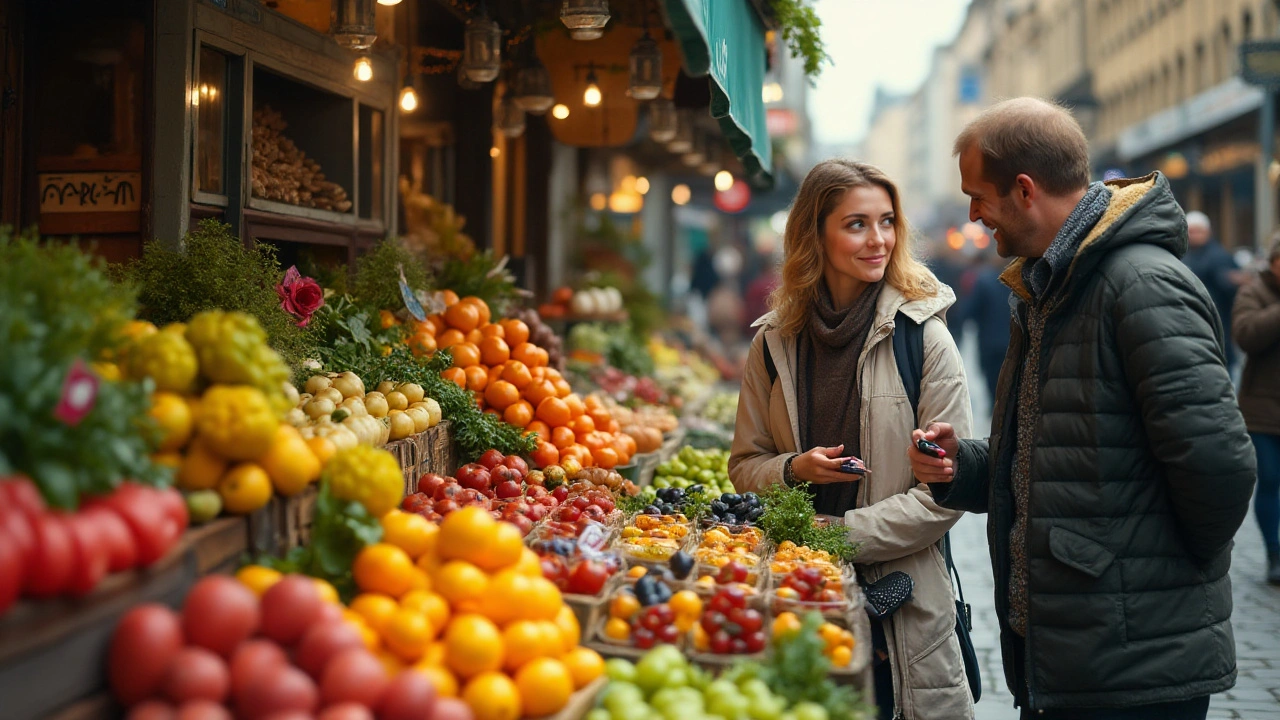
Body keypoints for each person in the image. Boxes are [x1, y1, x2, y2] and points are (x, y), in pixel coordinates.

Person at [906, 98, 1256, 720]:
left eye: (977, 195)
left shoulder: (1140, 283)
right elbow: (1062, 453)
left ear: (1023, 189)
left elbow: (1220, 466)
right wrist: (968, 465)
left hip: (1132, 662)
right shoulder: (1050, 283)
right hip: (1076, 653)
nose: (972, 214)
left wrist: (1153, 576)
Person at [730, 159, 974, 720]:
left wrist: (842, 534)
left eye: (887, 222)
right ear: (815, 234)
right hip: (794, 593)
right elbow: (745, 464)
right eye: (857, 224)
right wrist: (794, 470)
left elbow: (947, 492)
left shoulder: (923, 338)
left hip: (902, 604)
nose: (879, 240)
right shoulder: (774, 344)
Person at [1233, 238, 1280, 584]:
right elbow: (1245, 335)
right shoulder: (1253, 292)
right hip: (1263, 409)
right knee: (1270, 480)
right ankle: (1274, 553)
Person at [1183, 211, 1242, 370]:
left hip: (1217, 319)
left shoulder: (1219, 256)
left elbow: (1232, 290)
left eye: (1197, 231)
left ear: (1208, 232)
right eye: (1190, 231)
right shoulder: (1183, 253)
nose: (1193, 235)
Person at [964, 249, 1012, 396]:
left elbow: (970, 311)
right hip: (1012, 341)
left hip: (989, 343)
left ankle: (995, 411)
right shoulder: (1019, 281)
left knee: (993, 383)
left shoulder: (984, 280)